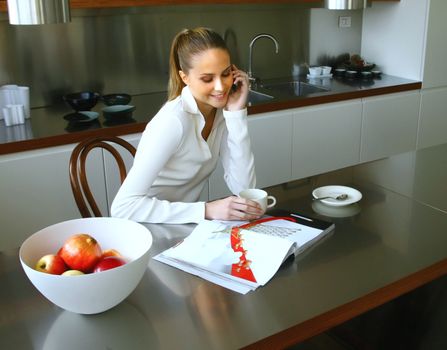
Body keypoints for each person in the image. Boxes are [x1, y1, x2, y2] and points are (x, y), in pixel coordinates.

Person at [111, 27, 263, 224]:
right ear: (185, 78)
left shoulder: (222, 113)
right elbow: (123, 207)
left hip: (182, 228)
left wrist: (236, 115)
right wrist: (206, 210)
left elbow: (244, 187)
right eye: (207, 78)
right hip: (144, 229)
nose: (221, 87)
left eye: (226, 74)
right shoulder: (172, 122)